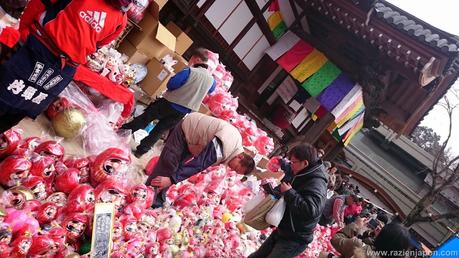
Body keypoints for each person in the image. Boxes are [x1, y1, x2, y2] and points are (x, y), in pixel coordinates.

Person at [0, 0, 129, 134]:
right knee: (5, 91)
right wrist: (23, 30)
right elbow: (39, 3)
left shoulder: (121, 18)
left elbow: (98, 45)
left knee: (26, 105)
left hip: (63, 68)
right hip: (38, 47)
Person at [121, 47, 216, 158]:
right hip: (182, 112)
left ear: (197, 59)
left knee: (145, 118)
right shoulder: (212, 81)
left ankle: (123, 132)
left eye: (191, 59)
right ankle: (141, 151)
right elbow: (210, 91)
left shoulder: (189, 71)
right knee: (159, 130)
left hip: (168, 103)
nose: (190, 61)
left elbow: (171, 85)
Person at [146, 112, 255, 207]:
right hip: (187, 129)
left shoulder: (234, 146)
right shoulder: (226, 147)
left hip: (195, 141)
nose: (232, 169)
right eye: (236, 167)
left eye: (235, 171)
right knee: (169, 164)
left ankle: (157, 198)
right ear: (240, 156)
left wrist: (173, 179)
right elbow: (199, 164)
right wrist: (172, 180)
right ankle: (146, 195)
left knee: (176, 169)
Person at [248, 144, 328, 258]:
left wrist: (289, 193)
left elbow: (311, 211)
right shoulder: (300, 172)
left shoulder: (317, 184)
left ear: (305, 163)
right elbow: (285, 187)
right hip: (284, 229)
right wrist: (272, 191)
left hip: (295, 238)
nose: (290, 165)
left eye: (293, 162)